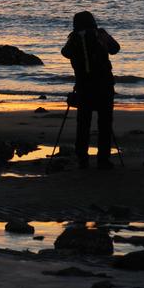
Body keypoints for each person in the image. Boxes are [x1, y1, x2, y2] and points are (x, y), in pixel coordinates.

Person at [61, 11, 120, 169]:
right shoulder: (100, 34)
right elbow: (115, 49)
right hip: (104, 86)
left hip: (83, 87)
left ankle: (82, 159)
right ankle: (103, 160)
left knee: (83, 124)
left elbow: (65, 53)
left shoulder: (73, 38)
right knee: (105, 124)